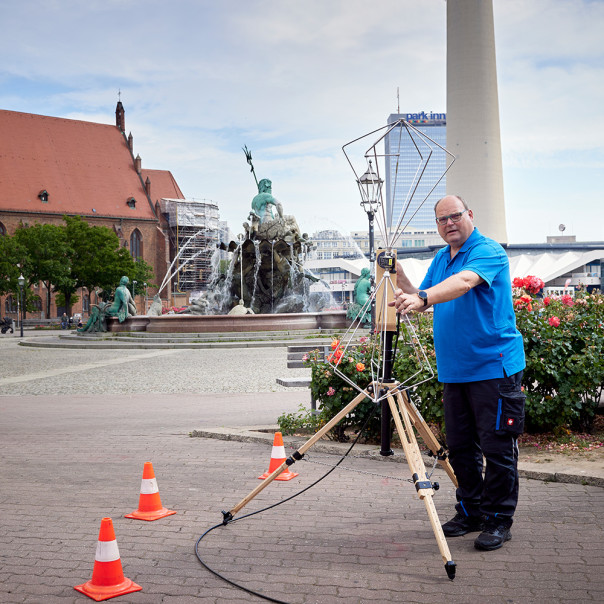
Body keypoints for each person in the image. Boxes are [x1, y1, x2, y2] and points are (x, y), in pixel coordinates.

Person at [392, 194, 526, 551]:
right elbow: (425, 296)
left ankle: (499, 520)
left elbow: (464, 283)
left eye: (455, 216)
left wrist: (423, 298)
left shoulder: (488, 250)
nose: (449, 223)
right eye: (441, 220)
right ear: (437, 227)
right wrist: (404, 280)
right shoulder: (441, 257)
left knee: (497, 449)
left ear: (470, 214)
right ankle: (472, 512)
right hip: (455, 371)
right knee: (462, 448)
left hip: (493, 367)